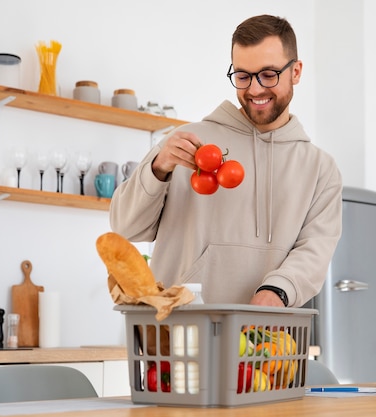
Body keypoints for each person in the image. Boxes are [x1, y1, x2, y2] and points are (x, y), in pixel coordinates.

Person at [110, 14, 342, 307]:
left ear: (296, 72)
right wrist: (157, 168)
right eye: (243, 76)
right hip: (176, 332)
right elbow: (125, 228)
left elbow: (315, 250)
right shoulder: (186, 143)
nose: (255, 89)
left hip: (261, 339)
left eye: (269, 74)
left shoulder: (320, 169)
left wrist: (278, 290)